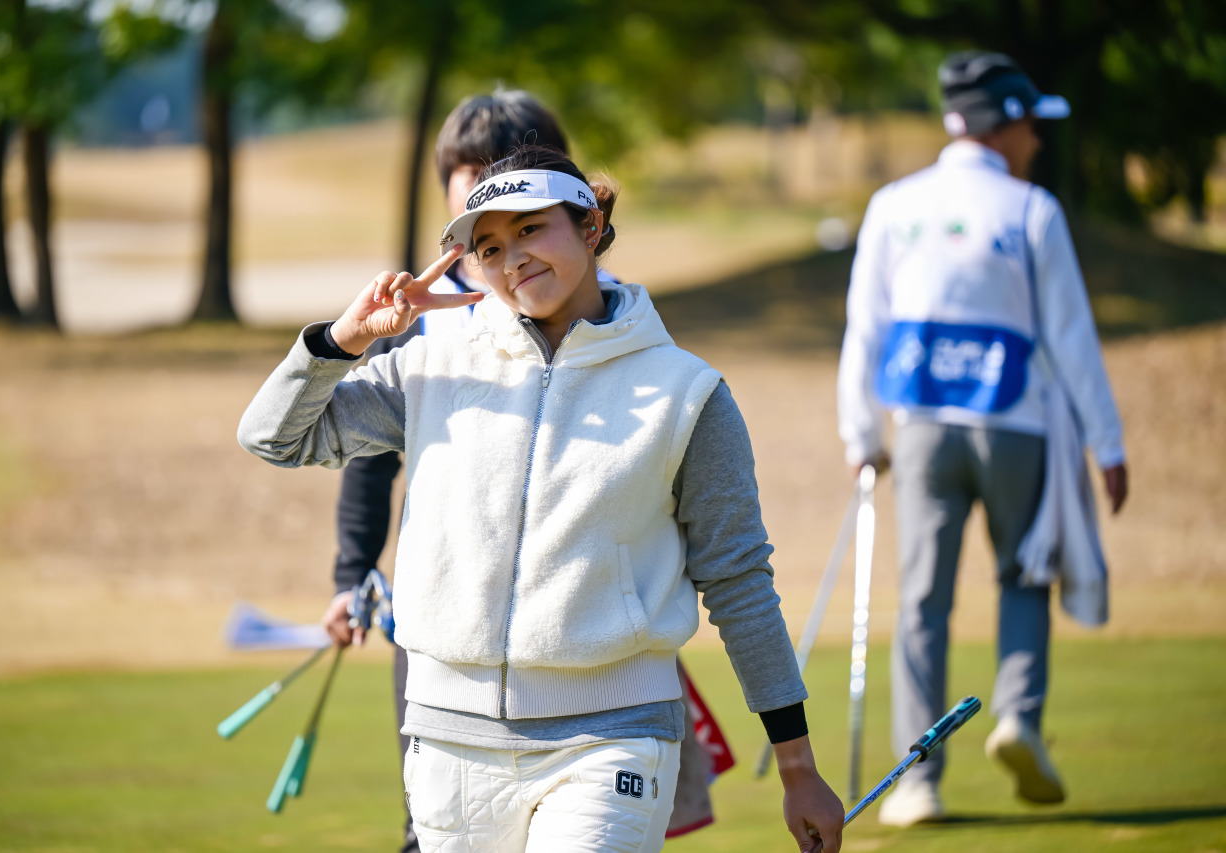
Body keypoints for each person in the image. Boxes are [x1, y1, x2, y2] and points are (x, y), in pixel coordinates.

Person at [240, 145, 844, 852]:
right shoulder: (430, 368)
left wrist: (797, 767)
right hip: (449, 743)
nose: (513, 259)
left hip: (614, 738)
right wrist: (345, 339)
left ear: (591, 227)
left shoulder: (687, 392)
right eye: (490, 248)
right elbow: (273, 436)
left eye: (531, 229)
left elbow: (739, 581)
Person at [319, 90, 727, 850]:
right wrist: (353, 572)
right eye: (475, 195)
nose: (504, 246)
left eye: (524, 217)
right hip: (444, 637)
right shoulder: (418, 329)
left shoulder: (610, 327)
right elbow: (355, 456)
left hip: (587, 658)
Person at [836, 51, 1129, 827]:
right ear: (1004, 124)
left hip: (923, 428)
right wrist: (1107, 443)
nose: (1038, 138)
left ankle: (918, 782)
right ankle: (1018, 718)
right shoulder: (1033, 209)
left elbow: (865, 327)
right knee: (1024, 575)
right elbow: (1072, 337)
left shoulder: (894, 203)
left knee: (922, 599)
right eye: (1032, 123)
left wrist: (859, 430)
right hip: (1017, 426)